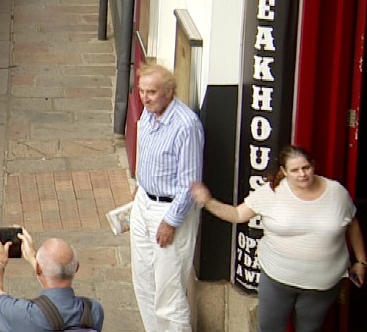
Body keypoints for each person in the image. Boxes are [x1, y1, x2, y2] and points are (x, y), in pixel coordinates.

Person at [192, 145, 366, 332]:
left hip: (322, 284)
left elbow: (352, 223)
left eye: (306, 167)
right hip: (277, 280)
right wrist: (208, 202)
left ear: (313, 166)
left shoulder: (336, 193)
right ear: (284, 171)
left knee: (310, 329)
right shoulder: (270, 193)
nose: (302, 174)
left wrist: (361, 261)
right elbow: (237, 215)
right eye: (295, 170)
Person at [130, 62, 203, 332]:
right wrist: (140, 185)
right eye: (141, 91)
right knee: (144, 280)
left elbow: (190, 182)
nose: (145, 98)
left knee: (169, 290)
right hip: (144, 202)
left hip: (169, 210)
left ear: (169, 92)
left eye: (152, 92)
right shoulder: (148, 115)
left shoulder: (186, 125)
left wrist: (170, 222)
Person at [0, 226, 105, 331]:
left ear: (39, 269)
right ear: (76, 267)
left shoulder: (25, 314)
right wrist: (35, 260)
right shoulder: (93, 310)